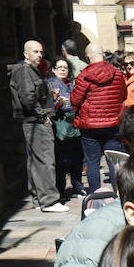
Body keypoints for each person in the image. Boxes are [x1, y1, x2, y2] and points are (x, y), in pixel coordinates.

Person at [8, 39, 64, 212]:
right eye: (35, 52)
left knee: (36, 161)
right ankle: (49, 201)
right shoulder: (24, 71)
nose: (40, 55)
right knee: (45, 161)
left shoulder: (31, 71)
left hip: (34, 121)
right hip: (35, 122)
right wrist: (42, 115)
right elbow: (28, 98)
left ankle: (39, 199)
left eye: (41, 51)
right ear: (26, 54)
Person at [71, 43, 127, 191]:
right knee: (114, 161)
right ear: (102, 54)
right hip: (113, 123)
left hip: (90, 126)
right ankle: (119, 195)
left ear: (88, 56)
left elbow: (75, 101)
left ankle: (96, 194)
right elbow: (123, 95)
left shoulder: (84, 76)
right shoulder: (117, 74)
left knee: (92, 162)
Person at [46, 57, 85, 198]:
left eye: (65, 67)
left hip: (75, 126)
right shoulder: (50, 84)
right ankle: (61, 189)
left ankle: (77, 185)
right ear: (54, 69)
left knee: (77, 158)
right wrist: (58, 102)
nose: (62, 70)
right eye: (59, 67)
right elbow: (50, 107)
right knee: (63, 160)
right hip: (61, 128)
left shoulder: (72, 84)